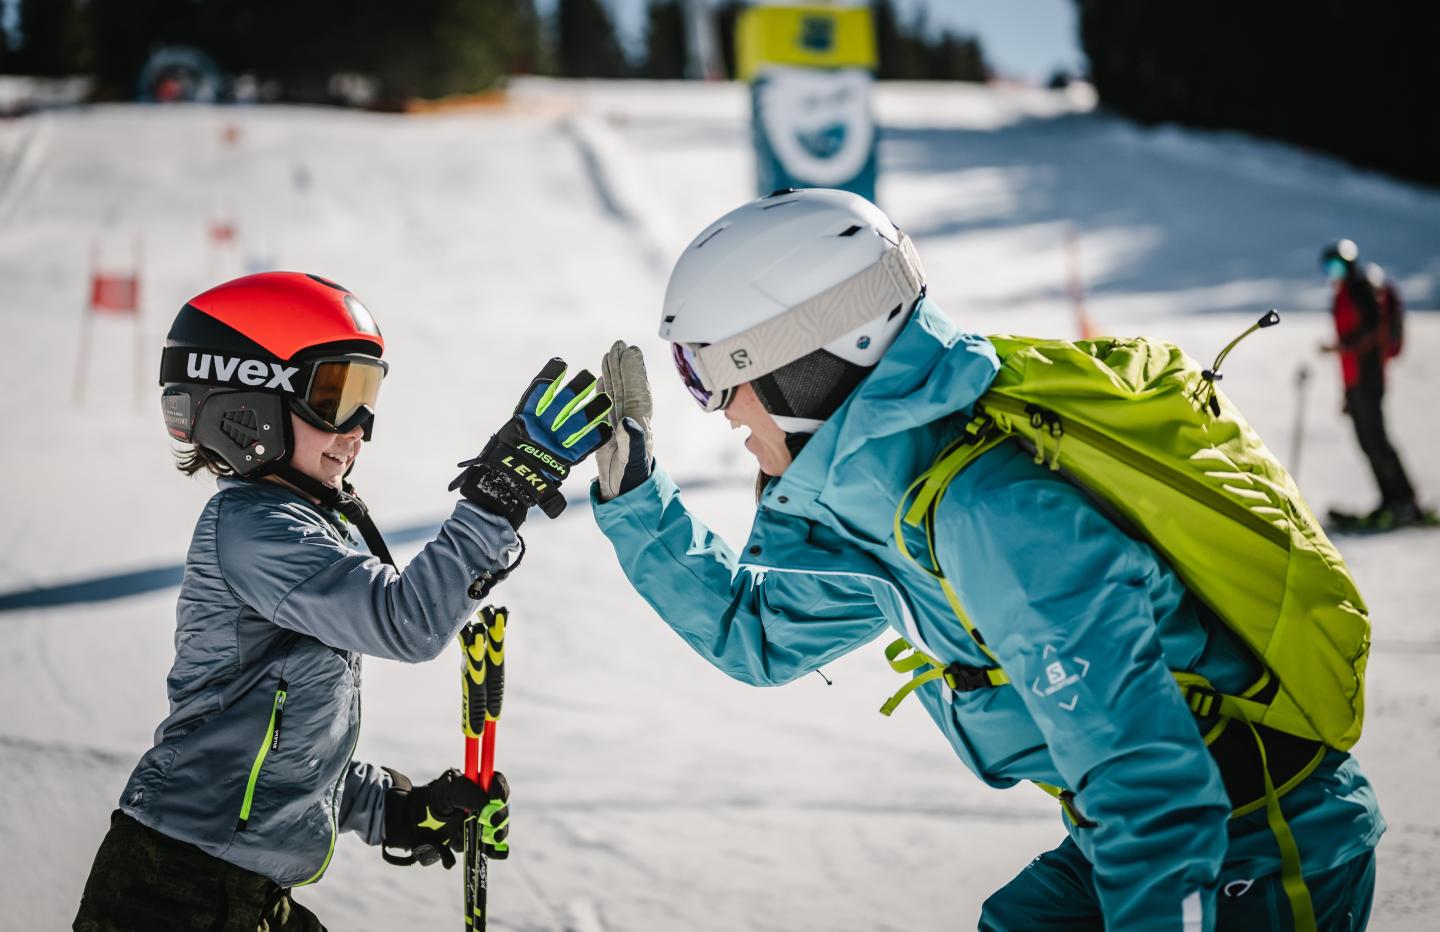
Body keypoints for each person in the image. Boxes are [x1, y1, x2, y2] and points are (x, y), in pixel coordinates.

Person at [590, 191, 1383, 931]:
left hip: (1256, 844)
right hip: (1142, 831)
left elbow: (1155, 797)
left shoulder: (993, 514)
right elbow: (756, 637)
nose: (718, 411)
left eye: (710, 376)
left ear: (805, 361)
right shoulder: (891, 510)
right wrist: (635, 499)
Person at [74, 271, 611, 931]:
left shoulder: (301, 525)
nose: (357, 429)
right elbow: (406, 623)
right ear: (249, 407)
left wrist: (398, 809)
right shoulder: (253, 531)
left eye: (365, 396)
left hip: (237, 893)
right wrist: (495, 496)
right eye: (333, 396)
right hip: (172, 897)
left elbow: (278, 745)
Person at [1319, 238, 1425, 530]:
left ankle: (1404, 501)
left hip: (1368, 378)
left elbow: (1372, 328)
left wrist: (1343, 347)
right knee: (1368, 442)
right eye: (1328, 267)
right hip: (1355, 380)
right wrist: (1347, 392)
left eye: (1337, 265)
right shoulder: (1344, 292)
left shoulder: (1361, 288)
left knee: (1376, 440)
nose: (1333, 272)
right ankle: (1391, 499)